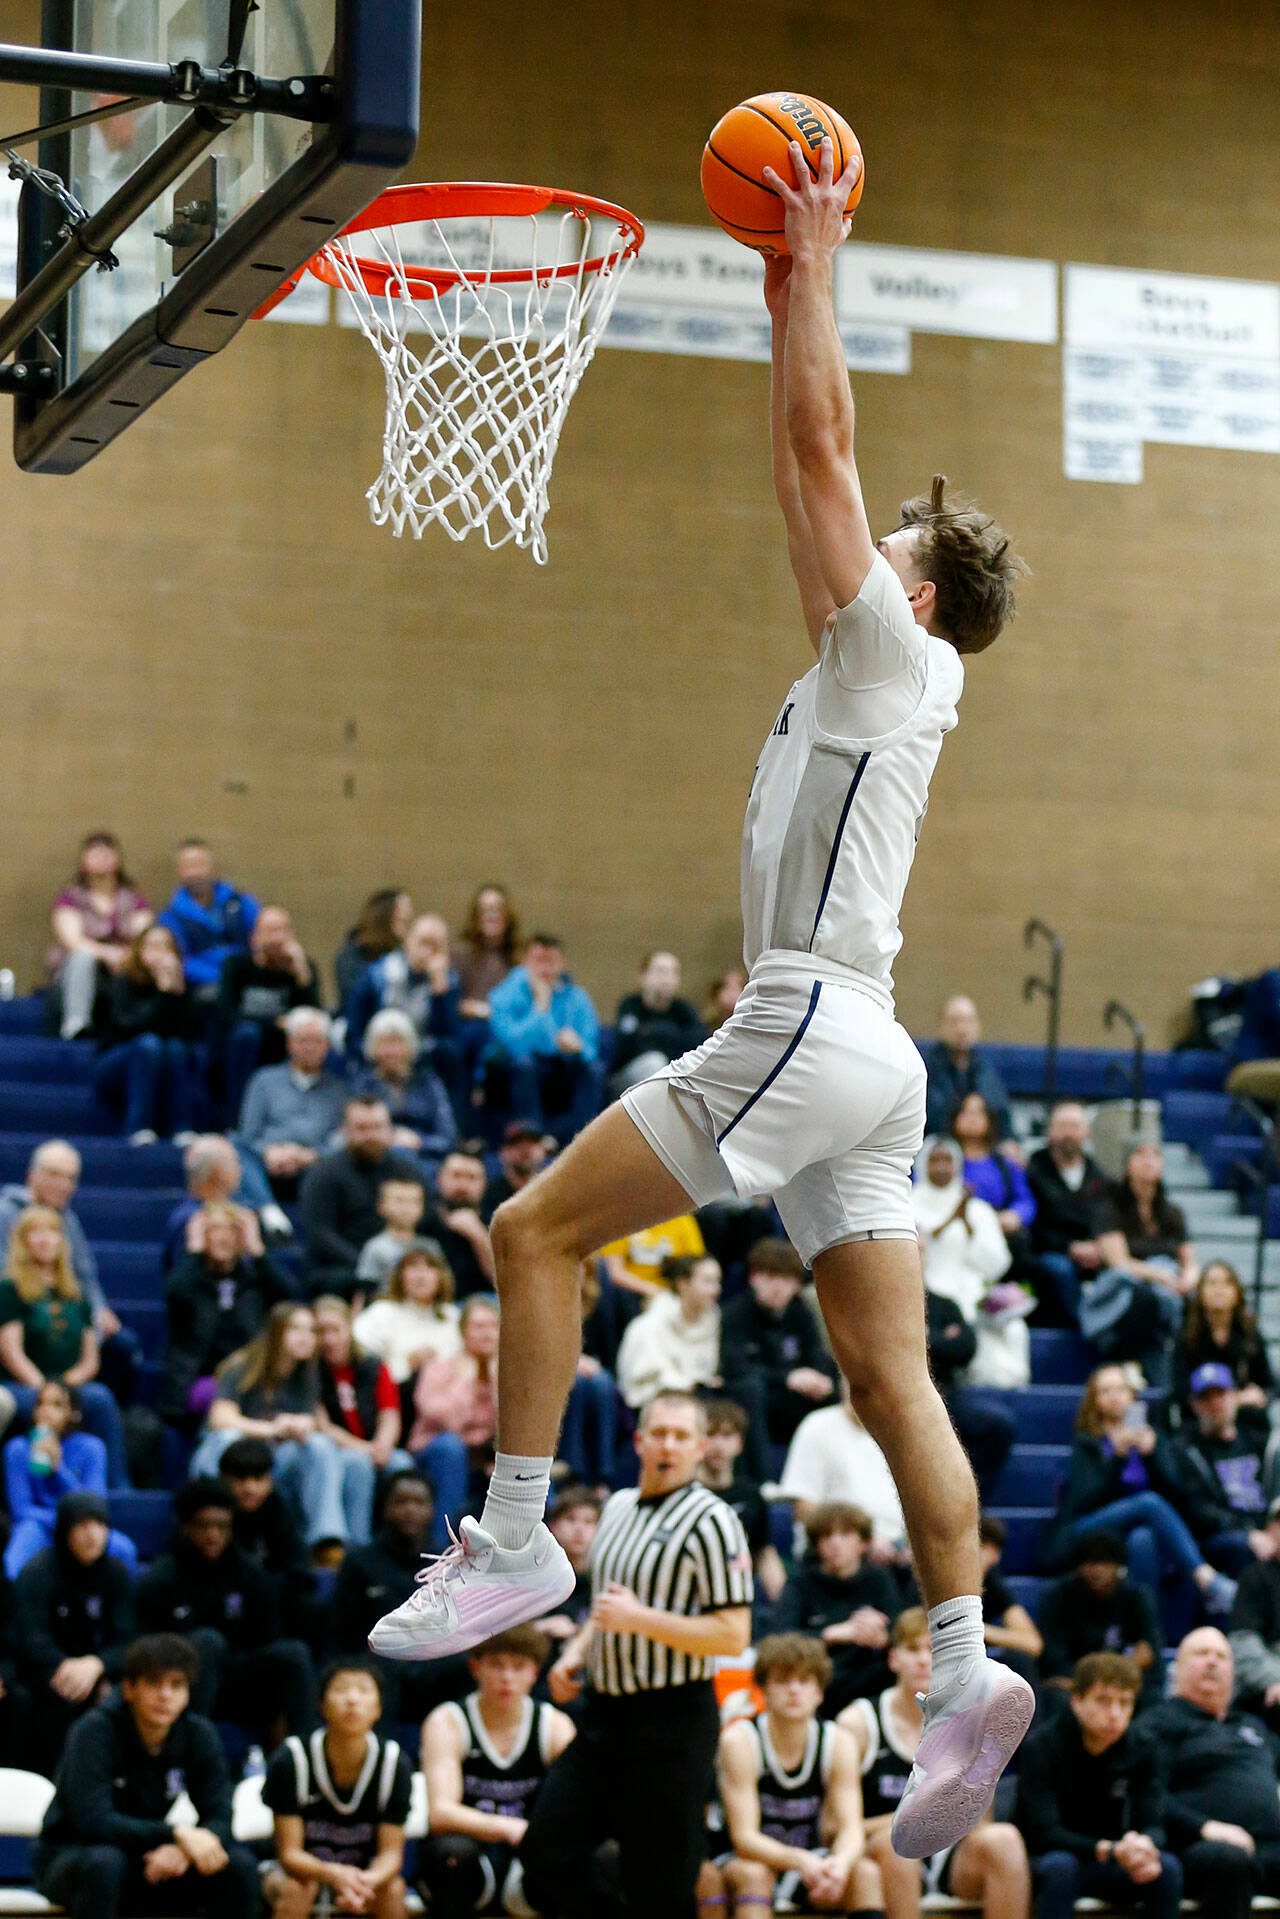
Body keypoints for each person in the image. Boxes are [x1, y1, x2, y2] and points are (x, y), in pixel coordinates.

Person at [369, 140, 1031, 1865]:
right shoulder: (878, 666)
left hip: (814, 1022)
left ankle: (516, 1532)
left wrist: (819, 252)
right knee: (894, 1385)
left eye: (887, 549)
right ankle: (965, 1667)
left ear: (926, 589)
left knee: (530, 1229)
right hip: (869, 1052)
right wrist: (775, 294)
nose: (851, 551)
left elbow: (823, 447)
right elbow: (802, 461)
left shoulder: (896, 648)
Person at [439, 1393, 756, 1919]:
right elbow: (609, 1601)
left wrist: (641, 1620)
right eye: (659, 1433)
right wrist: (578, 1653)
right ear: (638, 1440)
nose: (668, 1445)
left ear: (701, 1448)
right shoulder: (619, 1506)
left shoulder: (713, 1519)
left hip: (672, 1720)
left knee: (661, 1885)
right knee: (547, 1852)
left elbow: (731, 1635)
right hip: (605, 1715)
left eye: (681, 1436)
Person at [32, 1632, 258, 1919]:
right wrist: (176, 1833)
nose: (166, 1695)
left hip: (146, 1855)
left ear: (188, 1693)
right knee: (106, 1864)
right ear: (129, 1689)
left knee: (238, 1865)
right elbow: (94, 1821)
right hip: (71, 1855)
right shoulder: (93, 1732)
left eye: (176, 1685)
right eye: (154, 1683)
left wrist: (186, 1851)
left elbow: (220, 1813)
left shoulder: (198, 1734)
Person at [840, 1609, 1030, 1919]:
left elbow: (978, 1819)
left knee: (1004, 1840)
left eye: (933, 1650)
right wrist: (913, 1817)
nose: (924, 1660)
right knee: (896, 1845)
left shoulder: (973, 1722)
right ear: (892, 1659)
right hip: (877, 1852)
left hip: (947, 1854)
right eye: (913, 1649)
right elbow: (836, 1828)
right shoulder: (858, 1723)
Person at [1043, 1364, 1236, 1616]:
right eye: (1105, 1391)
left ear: (1132, 1395)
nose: (1114, 1396)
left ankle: (1147, 1630)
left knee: (1142, 1539)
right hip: (1087, 1530)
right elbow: (1082, 1502)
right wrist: (1117, 1459)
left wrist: (1155, 1455)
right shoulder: (1088, 1443)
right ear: (1095, 1400)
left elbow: (1179, 1495)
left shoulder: (1152, 1437)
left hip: (1130, 1536)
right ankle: (1204, 1576)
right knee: (1148, 1503)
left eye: (1120, 1389)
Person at [137, 1478, 317, 1745]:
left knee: (293, 1654)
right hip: (182, 1686)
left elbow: (268, 1637)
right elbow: (147, 1647)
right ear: (186, 1527)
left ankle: (305, 1758)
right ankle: (189, 1747)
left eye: (222, 1527)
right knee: (208, 1641)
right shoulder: (162, 1577)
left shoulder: (250, 1572)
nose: (213, 1535)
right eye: (204, 1526)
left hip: (238, 1681)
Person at [713, 1632, 881, 1918]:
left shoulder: (837, 1742)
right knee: (755, 1875)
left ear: (819, 1692)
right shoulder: (740, 1740)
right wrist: (801, 1861)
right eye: (782, 1681)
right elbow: (744, 1838)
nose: (794, 1690)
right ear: (762, 1689)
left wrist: (839, 1864)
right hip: (744, 1861)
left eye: (804, 1681)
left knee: (864, 1871)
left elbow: (850, 1828)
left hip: (808, 1860)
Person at [190, 1301, 376, 1553]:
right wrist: (273, 1428)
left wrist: (301, 1425)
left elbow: (311, 1419)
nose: (307, 1338)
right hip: (232, 1459)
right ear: (277, 1332)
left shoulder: (308, 1374)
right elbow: (221, 1418)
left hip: (275, 1460)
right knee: (226, 1437)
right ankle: (210, 1519)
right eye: (297, 1329)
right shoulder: (243, 1365)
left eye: (311, 1331)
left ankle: (327, 1541)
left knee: (324, 1447)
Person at [419, 1626, 576, 1919]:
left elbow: (573, 1810)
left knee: (580, 1857)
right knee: (450, 1855)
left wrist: (534, 1834)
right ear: (475, 1667)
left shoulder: (555, 1725)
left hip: (531, 1851)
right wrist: (509, 1828)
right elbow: (440, 1813)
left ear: (534, 1672)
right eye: (497, 1665)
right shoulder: (447, 1721)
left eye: (518, 1668)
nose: (507, 1678)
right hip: (470, 1850)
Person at [1015, 1651, 1180, 1919]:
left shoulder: (1144, 1747)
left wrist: (1144, 1846)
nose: (1115, 1714)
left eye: (1125, 1703)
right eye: (1103, 1701)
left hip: (1113, 1857)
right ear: (1077, 1701)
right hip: (1049, 1856)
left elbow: (1154, 1821)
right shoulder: (1042, 1746)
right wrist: (1108, 1849)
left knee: (1166, 1867)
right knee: (1061, 1866)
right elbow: (1044, 1832)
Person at [1138, 1626, 1280, 1919]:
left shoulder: (1253, 1725)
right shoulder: (1159, 1722)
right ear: (1176, 1668)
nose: (1213, 1662)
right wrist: (1206, 1827)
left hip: (1268, 1845)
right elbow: (1146, 1795)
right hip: (1197, 1845)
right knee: (1229, 1860)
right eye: (1202, 1654)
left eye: (1221, 1656)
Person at [263, 1660, 411, 1919]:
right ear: (321, 1705)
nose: (352, 1699)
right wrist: (335, 1875)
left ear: (378, 1708)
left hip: (362, 1877)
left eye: (363, 1690)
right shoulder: (292, 1759)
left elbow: (391, 1854)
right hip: (299, 1873)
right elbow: (289, 1853)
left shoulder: (394, 1762)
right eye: (341, 1689)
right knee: (297, 1889)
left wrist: (365, 1881)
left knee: (393, 1889)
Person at [0, 1204, 129, 1485]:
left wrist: (65, 1388)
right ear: (22, 1242)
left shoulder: (76, 1292)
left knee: (101, 1399)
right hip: (22, 1383)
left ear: (62, 1241)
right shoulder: (10, 1288)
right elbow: (10, 1351)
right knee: (36, 1405)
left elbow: (90, 1359)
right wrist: (45, 1390)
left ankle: (117, 1484)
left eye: (52, 1232)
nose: (45, 1239)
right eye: (36, 1232)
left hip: (67, 1384)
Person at [0, 1138, 136, 1404]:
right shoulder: (5, 1214)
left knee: (122, 1345)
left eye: (70, 1178)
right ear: (32, 1176)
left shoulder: (69, 1220)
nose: (63, 1185)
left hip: (64, 1305)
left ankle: (83, 1414)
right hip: (19, 1310)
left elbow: (85, 1276)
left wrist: (97, 1309)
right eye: (55, 1175)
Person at [14, 1490, 138, 1775]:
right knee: (55, 1698)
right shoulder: (38, 1572)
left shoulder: (116, 1573)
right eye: (82, 1525)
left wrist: (98, 1665)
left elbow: (130, 1637)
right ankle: (49, 1781)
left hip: (99, 1671)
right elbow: (29, 1638)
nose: (92, 1535)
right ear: (64, 1531)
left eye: (99, 1525)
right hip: (49, 1672)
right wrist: (66, 1667)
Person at [333, 1472, 466, 1722]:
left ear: (431, 1510)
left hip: (432, 1669)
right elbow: (342, 1634)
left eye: (419, 1503)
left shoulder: (449, 1561)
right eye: (401, 1502)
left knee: (468, 1665)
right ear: (385, 1508)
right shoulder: (359, 1562)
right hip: (378, 1669)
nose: (410, 1510)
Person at [161, 1200, 299, 1425]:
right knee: (224, 1397)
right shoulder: (191, 1280)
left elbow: (288, 1296)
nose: (224, 1237)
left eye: (232, 1230)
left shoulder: (253, 1280)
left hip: (252, 1376)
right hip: (200, 1378)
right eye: (215, 1229)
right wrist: (194, 1250)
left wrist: (257, 1250)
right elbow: (174, 1295)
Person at [913, 1138, 1029, 1390]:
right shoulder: (906, 1205)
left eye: (947, 1161)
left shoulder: (978, 1209)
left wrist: (968, 1227)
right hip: (926, 1292)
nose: (941, 1167)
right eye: (935, 1160)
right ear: (923, 1164)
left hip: (971, 1288)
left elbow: (998, 1263)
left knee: (1014, 1327)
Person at [720, 1237, 838, 1479]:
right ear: (754, 1278)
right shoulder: (735, 1314)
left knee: (838, 1387)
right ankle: (764, 1480)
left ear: (796, 1284)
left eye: (786, 1280)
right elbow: (735, 1367)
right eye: (770, 1277)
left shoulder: (800, 1312)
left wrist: (821, 1379)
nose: (778, 1287)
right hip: (761, 1396)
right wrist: (787, 1377)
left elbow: (816, 1353)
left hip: (794, 1397)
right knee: (750, 1390)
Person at [1083, 1142, 1196, 1378]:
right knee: (1145, 1299)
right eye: (1140, 1154)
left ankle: (1188, 1381)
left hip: (1167, 1287)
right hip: (1122, 1289)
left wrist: (1187, 1279)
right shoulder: (1110, 1208)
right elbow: (1119, 1263)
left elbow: (1189, 1262)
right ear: (1126, 1166)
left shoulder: (1173, 1213)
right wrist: (1160, 1275)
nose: (1148, 1160)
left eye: (1155, 1155)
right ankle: (1129, 1366)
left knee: (1199, 1298)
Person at [4, 1380, 136, 1577]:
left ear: (74, 1413)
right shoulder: (18, 1449)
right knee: (11, 1563)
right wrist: (60, 1524)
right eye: (40, 1403)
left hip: (82, 1524)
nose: (46, 1411)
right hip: (37, 1526)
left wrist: (58, 1470)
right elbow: (21, 1510)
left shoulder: (92, 1448)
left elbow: (94, 1505)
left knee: (125, 1550)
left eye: (56, 1404)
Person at [777, 1502, 900, 1713]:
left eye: (845, 1534)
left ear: (864, 1543)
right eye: (827, 1536)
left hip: (870, 1679)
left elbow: (902, 1629)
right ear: (817, 1545)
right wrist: (832, 1634)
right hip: (820, 1680)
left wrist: (883, 1638)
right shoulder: (801, 1582)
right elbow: (778, 1639)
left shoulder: (879, 1579)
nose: (835, 1543)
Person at [301, 1099, 422, 1301]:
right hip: (342, 1269)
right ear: (345, 1130)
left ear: (390, 1129)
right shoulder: (324, 1173)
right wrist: (370, 1264)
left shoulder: (406, 1170)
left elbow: (425, 1217)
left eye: (377, 1127)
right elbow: (321, 1234)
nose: (371, 1136)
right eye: (362, 1128)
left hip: (401, 1264)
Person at [93, 923, 203, 1144]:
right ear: (139, 951)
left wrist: (176, 994)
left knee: (175, 1047)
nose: (159, 954)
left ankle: (181, 1127)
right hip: (116, 1062)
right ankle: (138, 1126)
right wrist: (162, 994)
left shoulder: (183, 989)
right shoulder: (122, 982)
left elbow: (189, 1035)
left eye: (166, 947)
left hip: (163, 1062)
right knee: (149, 1043)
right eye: (152, 946)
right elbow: (129, 1027)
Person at [487, 933, 603, 1143]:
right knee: (524, 1064)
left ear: (562, 964)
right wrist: (541, 1006)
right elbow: (513, 1045)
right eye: (539, 961)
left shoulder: (578, 998)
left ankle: (583, 1140)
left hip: (560, 1072)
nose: (545, 969)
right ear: (525, 962)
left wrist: (578, 1047)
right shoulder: (505, 994)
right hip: (516, 1073)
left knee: (592, 1070)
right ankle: (531, 1140)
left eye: (552, 962)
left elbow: (591, 1050)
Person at [237, 1007, 350, 1208]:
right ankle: (268, 1210)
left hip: (317, 1166)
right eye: (303, 1040)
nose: (310, 1047)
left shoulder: (340, 1089)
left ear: (327, 1046)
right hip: (267, 1164)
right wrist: (268, 1152)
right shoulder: (264, 1080)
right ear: (289, 1044)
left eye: (317, 1041)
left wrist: (310, 1156)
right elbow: (248, 1134)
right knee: (234, 1145)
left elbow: (341, 1138)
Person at [780, 1378, 907, 1557]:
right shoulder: (817, 1426)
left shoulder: (900, 1430)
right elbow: (804, 1509)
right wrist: (862, 1543)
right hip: (839, 1550)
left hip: (897, 1548)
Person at [1036, 1532, 1162, 1706]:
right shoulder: (1057, 1596)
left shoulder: (1136, 1596)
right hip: (1073, 1683)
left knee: (1151, 1697)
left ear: (1119, 1567)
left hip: (1120, 1681)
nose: (1098, 1570)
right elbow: (1054, 1657)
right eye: (1091, 1563)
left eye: (1105, 1563)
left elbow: (1149, 1651)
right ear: (1079, 1567)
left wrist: (1112, 1681)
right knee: (1058, 1697)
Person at [1174, 1364, 1278, 1572]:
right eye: (1206, 1397)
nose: (1215, 1403)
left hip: (1268, 1527)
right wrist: (1249, 1534)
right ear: (1194, 1404)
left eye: (1220, 1394)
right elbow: (1201, 1511)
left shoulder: (1259, 1442)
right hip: (1223, 1539)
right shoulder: (1189, 1451)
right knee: (1241, 1547)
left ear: (1233, 1396)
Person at [47, 830, 151, 1039]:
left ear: (118, 859)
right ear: (83, 861)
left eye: (107, 853)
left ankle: (133, 1030)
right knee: (81, 957)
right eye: (95, 854)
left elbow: (142, 938)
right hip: (80, 972)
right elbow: (73, 940)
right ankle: (76, 1025)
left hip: (123, 968)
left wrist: (122, 956)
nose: (101, 859)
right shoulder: (70, 898)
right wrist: (107, 953)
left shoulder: (134, 899)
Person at [216, 903, 319, 1111]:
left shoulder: (301, 968)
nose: (277, 938)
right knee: (247, 1035)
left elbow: (313, 1017)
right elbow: (226, 1014)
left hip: (285, 1044)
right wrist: (274, 1023)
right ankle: (238, 1116)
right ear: (254, 937)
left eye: (283, 930)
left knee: (316, 1042)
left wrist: (301, 974)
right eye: (270, 931)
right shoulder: (236, 965)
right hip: (244, 1044)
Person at [406, 1295, 500, 1524]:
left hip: (484, 1456)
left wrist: (495, 1379)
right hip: (437, 1451)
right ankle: (445, 1543)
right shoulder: (438, 1368)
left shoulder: (506, 1372)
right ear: (462, 1332)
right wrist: (466, 1379)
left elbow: (512, 1424)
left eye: (492, 1326)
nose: (486, 1333)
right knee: (451, 1448)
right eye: (478, 1327)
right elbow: (449, 1422)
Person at [925, 1286, 1017, 1501]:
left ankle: (970, 1502)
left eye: (922, 1251)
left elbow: (965, 1348)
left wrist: (925, 1338)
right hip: (899, 1394)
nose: (919, 1257)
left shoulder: (942, 1303)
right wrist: (940, 1338)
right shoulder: (886, 1299)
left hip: (944, 1391)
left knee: (998, 1424)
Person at [1025, 1103, 1111, 1327]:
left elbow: (1107, 1219)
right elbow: (1034, 1223)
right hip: (1048, 1250)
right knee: (1060, 1270)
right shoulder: (1033, 1170)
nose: (1068, 1134)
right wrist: (1069, 1247)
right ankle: (1087, 1327)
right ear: (1050, 1131)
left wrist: (1098, 1247)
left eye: (1074, 1126)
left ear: (1086, 1132)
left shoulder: (1100, 1177)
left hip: (1095, 1251)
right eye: (1062, 1126)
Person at [700, 1398, 788, 1609]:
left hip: (738, 1595)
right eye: (710, 1434)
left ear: (739, 1443)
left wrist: (785, 1610)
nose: (718, 1445)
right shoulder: (683, 1493)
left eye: (727, 1436)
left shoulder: (751, 1495)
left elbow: (764, 1554)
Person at [351, 1009, 458, 1177]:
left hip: (426, 1160)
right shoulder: (362, 1085)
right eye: (384, 1044)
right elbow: (351, 1131)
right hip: (374, 1160)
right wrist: (387, 1138)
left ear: (410, 1046)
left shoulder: (428, 1083)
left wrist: (419, 1142)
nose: (391, 1052)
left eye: (397, 1043)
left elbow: (447, 1137)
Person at [314, 1296, 409, 1482]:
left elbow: (389, 1415)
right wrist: (365, 1449)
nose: (329, 1340)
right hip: (339, 1451)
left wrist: (382, 1446)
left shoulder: (373, 1366)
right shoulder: (312, 1372)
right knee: (358, 1464)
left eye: (335, 1330)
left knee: (401, 1464)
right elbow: (323, 1426)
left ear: (349, 1328)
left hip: (374, 1446)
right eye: (321, 1332)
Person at [1172, 1261, 1272, 1432]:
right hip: (1200, 1417)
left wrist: (1250, 1397)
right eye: (1212, 1283)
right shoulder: (1186, 1336)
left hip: (1243, 1418)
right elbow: (1180, 1390)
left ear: (1237, 1292)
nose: (1219, 1289)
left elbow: (1269, 1385)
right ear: (1200, 1293)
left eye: (1226, 1283)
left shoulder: (1250, 1334)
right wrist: (1217, 1403)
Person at [615, 1251, 722, 1409]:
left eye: (717, 1281)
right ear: (683, 1284)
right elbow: (646, 1378)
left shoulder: (712, 1319)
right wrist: (689, 1384)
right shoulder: (651, 1323)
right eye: (708, 1281)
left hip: (697, 1399)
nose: (716, 1290)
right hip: (650, 1404)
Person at [158, 838, 259, 997]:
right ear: (179, 871)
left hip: (247, 980)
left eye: (200, 865)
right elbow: (181, 960)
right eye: (188, 866)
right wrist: (224, 978)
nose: (195, 873)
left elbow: (258, 943)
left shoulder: (242, 902)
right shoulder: (171, 917)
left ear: (212, 867)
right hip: (202, 989)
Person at [352, 1243, 461, 1387]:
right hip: (395, 1397)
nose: (420, 1276)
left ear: (441, 1276)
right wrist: (406, 1365)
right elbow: (361, 1363)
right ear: (400, 1276)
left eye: (429, 1267)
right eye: (412, 1267)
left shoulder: (453, 1316)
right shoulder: (380, 1313)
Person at [949, 1093, 1035, 1253]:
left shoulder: (1005, 1162)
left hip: (997, 1236)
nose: (972, 1119)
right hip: (949, 1234)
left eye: (979, 1113)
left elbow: (1025, 1200)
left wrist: (1015, 1216)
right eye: (966, 1112)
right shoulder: (939, 1157)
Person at [609, 950, 706, 1091]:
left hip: (672, 1077)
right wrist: (670, 1039)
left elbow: (696, 1044)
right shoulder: (630, 1006)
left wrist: (653, 1035)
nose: (667, 979)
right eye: (661, 972)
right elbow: (626, 1046)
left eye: (673, 973)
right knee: (655, 1062)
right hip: (627, 1080)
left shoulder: (684, 1010)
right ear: (644, 976)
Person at [922, 997, 1012, 1143]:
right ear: (941, 1027)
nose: (962, 1029)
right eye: (954, 1021)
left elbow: (1001, 1116)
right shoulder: (926, 1070)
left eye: (968, 1021)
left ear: (978, 1026)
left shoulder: (986, 1069)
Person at [1228, 1493, 1280, 1729]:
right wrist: (1274, 1678)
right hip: (1266, 1689)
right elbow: (1242, 1641)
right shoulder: (1254, 1577)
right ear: (1270, 1529)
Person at [976, 1517, 1041, 1689]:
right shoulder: (932, 1579)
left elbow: (1032, 1643)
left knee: (1020, 1658)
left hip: (975, 1663)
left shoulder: (990, 1582)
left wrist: (975, 1628)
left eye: (982, 1547)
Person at [423, 1151, 496, 1300]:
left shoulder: (498, 1223)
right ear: (439, 1179)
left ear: (484, 1184)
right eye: (456, 1175)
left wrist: (477, 1234)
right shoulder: (423, 1221)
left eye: (472, 1178)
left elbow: (505, 1282)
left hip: (486, 1310)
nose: (463, 1185)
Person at [536, 1485, 601, 1642]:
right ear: (553, 1526)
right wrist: (541, 1627)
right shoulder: (535, 1577)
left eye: (588, 1522)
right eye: (570, 1519)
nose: (579, 1529)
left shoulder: (604, 1581)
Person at [334, 889, 413, 1018]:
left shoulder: (404, 953)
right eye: (403, 921)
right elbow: (355, 999)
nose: (407, 930)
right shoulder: (351, 955)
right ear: (386, 919)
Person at [598, 1210, 708, 1297]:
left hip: (673, 1291)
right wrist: (651, 1290)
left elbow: (697, 1265)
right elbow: (615, 1272)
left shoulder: (682, 1220)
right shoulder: (622, 1219)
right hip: (632, 1292)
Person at [455, 883, 521, 1012]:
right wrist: (485, 1010)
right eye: (485, 910)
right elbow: (454, 1005)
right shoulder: (461, 955)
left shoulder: (519, 957)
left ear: (508, 916)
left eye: (497, 909)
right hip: (471, 1026)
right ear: (475, 917)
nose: (491, 916)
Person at [479, 1122, 550, 1223]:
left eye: (532, 1142)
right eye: (517, 1143)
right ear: (503, 1152)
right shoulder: (488, 1194)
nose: (525, 1149)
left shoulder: (551, 1190)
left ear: (543, 1150)